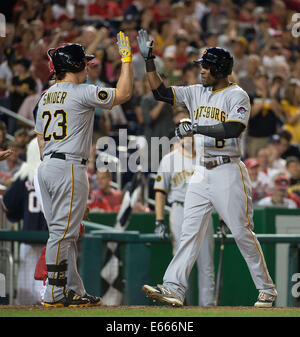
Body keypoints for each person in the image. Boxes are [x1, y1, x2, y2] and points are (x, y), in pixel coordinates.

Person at [137, 30, 278, 308]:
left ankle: (267, 289)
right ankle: (174, 288)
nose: (200, 70)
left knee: (241, 233)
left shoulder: (237, 95)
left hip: (228, 169)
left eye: (205, 66)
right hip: (201, 172)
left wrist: (197, 126)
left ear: (219, 69)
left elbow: (234, 129)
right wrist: (149, 59)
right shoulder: (195, 91)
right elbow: (161, 92)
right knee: (189, 233)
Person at [33, 32, 133, 307]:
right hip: (69, 167)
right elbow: (124, 94)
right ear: (75, 66)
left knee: (67, 233)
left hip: (48, 166)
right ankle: (54, 291)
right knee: (62, 233)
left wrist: (52, 164)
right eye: (85, 62)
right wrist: (126, 60)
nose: (88, 66)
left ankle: (73, 289)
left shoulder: (45, 96)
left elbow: (40, 135)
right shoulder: (81, 92)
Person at [154, 128, 215, 306]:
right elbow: (160, 191)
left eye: (191, 135)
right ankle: (178, 302)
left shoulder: (206, 158)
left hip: (205, 211)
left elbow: (217, 189)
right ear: (179, 137)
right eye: (185, 135)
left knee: (206, 264)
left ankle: (208, 307)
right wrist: (159, 220)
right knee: (180, 260)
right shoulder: (170, 159)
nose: (188, 138)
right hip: (179, 209)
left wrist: (223, 219)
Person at [2, 137, 47, 305]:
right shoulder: (52, 176)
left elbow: (7, 204)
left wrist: (21, 213)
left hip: (29, 240)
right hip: (51, 240)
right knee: (46, 290)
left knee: (26, 293)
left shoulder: (24, 176)